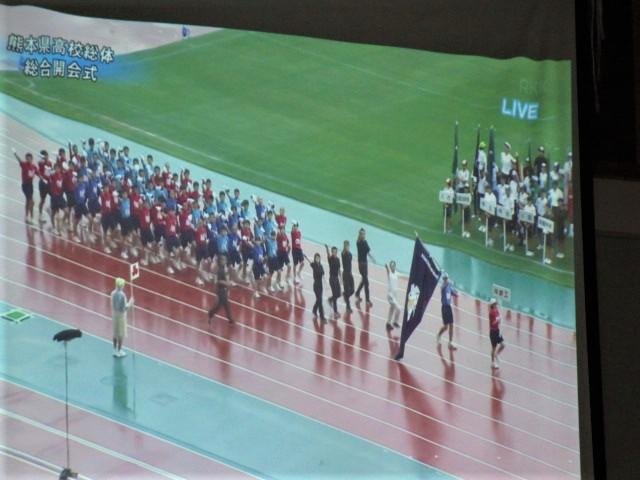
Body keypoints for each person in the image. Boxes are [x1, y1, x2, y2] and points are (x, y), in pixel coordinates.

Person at [13, 148, 38, 224]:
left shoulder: (34, 167)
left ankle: (27, 216)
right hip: (25, 186)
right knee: (32, 202)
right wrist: (15, 154)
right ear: (26, 159)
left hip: (30, 186)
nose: (28, 160)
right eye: (27, 159)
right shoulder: (24, 165)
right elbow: (19, 160)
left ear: (32, 159)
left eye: (30, 158)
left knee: (28, 201)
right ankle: (32, 218)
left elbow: (38, 173)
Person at [111, 277, 134, 358]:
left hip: (114, 314)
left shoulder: (113, 293)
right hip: (121, 316)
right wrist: (130, 303)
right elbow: (125, 308)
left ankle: (114, 350)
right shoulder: (122, 295)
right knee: (121, 334)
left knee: (115, 333)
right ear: (121, 286)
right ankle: (119, 350)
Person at [208, 256, 234, 324]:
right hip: (221, 290)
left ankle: (230, 318)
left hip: (223, 289)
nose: (225, 261)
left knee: (226, 304)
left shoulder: (222, 269)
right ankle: (211, 313)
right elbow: (219, 281)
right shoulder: (220, 270)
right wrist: (227, 283)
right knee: (220, 305)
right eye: (224, 260)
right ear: (220, 261)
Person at [436, 272, 458, 349]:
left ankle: (450, 342)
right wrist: (448, 283)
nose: (446, 280)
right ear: (443, 279)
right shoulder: (443, 287)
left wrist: (456, 293)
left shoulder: (449, 287)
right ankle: (438, 335)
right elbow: (442, 287)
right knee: (446, 327)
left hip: (449, 308)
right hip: (444, 308)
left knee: (451, 325)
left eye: (446, 278)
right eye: (444, 279)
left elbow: (454, 293)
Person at [355, 228, 375, 307]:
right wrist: (372, 258)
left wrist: (371, 258)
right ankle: (367, 300)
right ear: (360, 234)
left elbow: (366, 252)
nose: (363, 235)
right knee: (366, 282)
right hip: (362, 264)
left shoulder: (359, 242)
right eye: (362, 234)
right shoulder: (362, 242)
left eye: (364, 234)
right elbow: (368, 251)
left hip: (363, 264)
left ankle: (357, 293)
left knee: (364, 280)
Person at [305, 252, 326, 322]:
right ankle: (322, 317)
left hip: (320, 286)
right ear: (314, 259)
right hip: (316, 286)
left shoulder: (321, 266)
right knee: (320, 301)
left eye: (318, 258)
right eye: (316, 258)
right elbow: (317, 270)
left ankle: (314, 309)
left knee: (318, 300)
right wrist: (314, 265)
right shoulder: (314, 265)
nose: (317, 259)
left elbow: (323, 273)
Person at [325, 244, 341, 318]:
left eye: (335, 252)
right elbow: (328, 255)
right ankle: (335, 312)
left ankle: (330, 299)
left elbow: (339, 269)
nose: (334, 253)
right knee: (335, 295)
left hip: (336, 278)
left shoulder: (338, 259)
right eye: (333, 252)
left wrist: (341, 278)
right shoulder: (330, 259)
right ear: (332, 252)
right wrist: (327, 249)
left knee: (339, 294)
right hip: (332, 279)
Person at [489, 298, 506, 369]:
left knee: (503, 345)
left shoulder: (497, 310)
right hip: (493, 332)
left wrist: (500, 320)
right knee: (494, 348)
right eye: (495, 303)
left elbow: (499, 319)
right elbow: (493, 323)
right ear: (493, 305)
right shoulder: (491, 313)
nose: (496, 304)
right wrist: (498, 320)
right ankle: (492, 363)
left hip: (497, 331)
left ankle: (497, 354)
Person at [384, 261, 401, 331]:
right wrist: (386, 267)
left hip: (394, 296)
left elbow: (404, 277)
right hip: (390, 296)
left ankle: (388, 323)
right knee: (398, 308)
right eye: (391, 266)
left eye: (393, 266)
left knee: (392, 309)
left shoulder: (396, 273)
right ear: (390, 267)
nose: (392, 267)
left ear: (395, 266)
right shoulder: (390, 274)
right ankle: (395, 322)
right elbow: (388, 271)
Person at [341, 240, 354, 313]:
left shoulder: (349, 254)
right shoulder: (344, 254)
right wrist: (347, 251)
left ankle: (345, 295)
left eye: (348, 246)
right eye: (346, 246)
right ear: (344, 246)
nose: (347, 247)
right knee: (347, 290)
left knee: (352, 290)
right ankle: (348, 307)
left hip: (350, 273)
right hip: (345, 274)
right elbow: (347, 256)